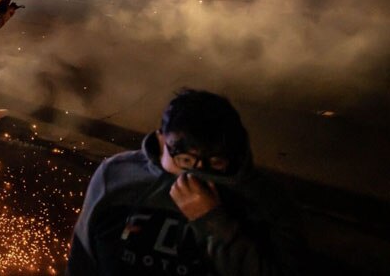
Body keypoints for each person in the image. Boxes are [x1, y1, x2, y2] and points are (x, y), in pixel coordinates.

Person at [67, 88, 306, 276]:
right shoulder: (117, 174)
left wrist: (213, 221)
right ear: (161, 142)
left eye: (215, 162)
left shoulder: (266, 199)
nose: (196, 173)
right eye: (185, 159)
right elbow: (83, 255)